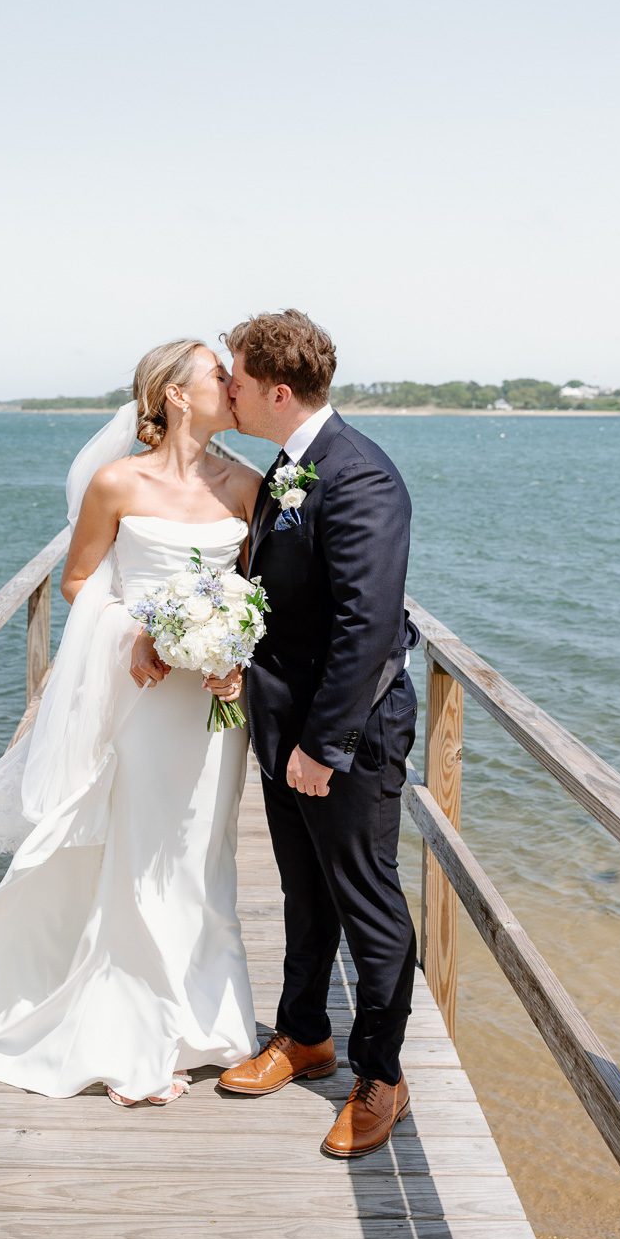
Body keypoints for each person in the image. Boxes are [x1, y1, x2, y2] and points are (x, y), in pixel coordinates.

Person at [0, 339, 263, 1105]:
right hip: (138, 694)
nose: (233, 386)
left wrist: (236, 650)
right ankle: (135, 1030)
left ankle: (209, 1022)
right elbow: (75, 582)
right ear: (172, 393)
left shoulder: (246, 484)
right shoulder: (115, 482)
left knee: (204, 850)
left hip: (211, 703)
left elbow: (258, 592)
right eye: (217, 377)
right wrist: (137, 632)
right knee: (139, 852)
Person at [219, 308, 420, 1158]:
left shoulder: (358, 476)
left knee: (366, 901)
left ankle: (381, 1076)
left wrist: (322, 747)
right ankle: (303, 1036)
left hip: (346, 736)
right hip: (281, 723)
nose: (223, 390)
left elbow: (365, 626)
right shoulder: (285, 471)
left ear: (273, 390)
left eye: (232, 378)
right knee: (304, 892)